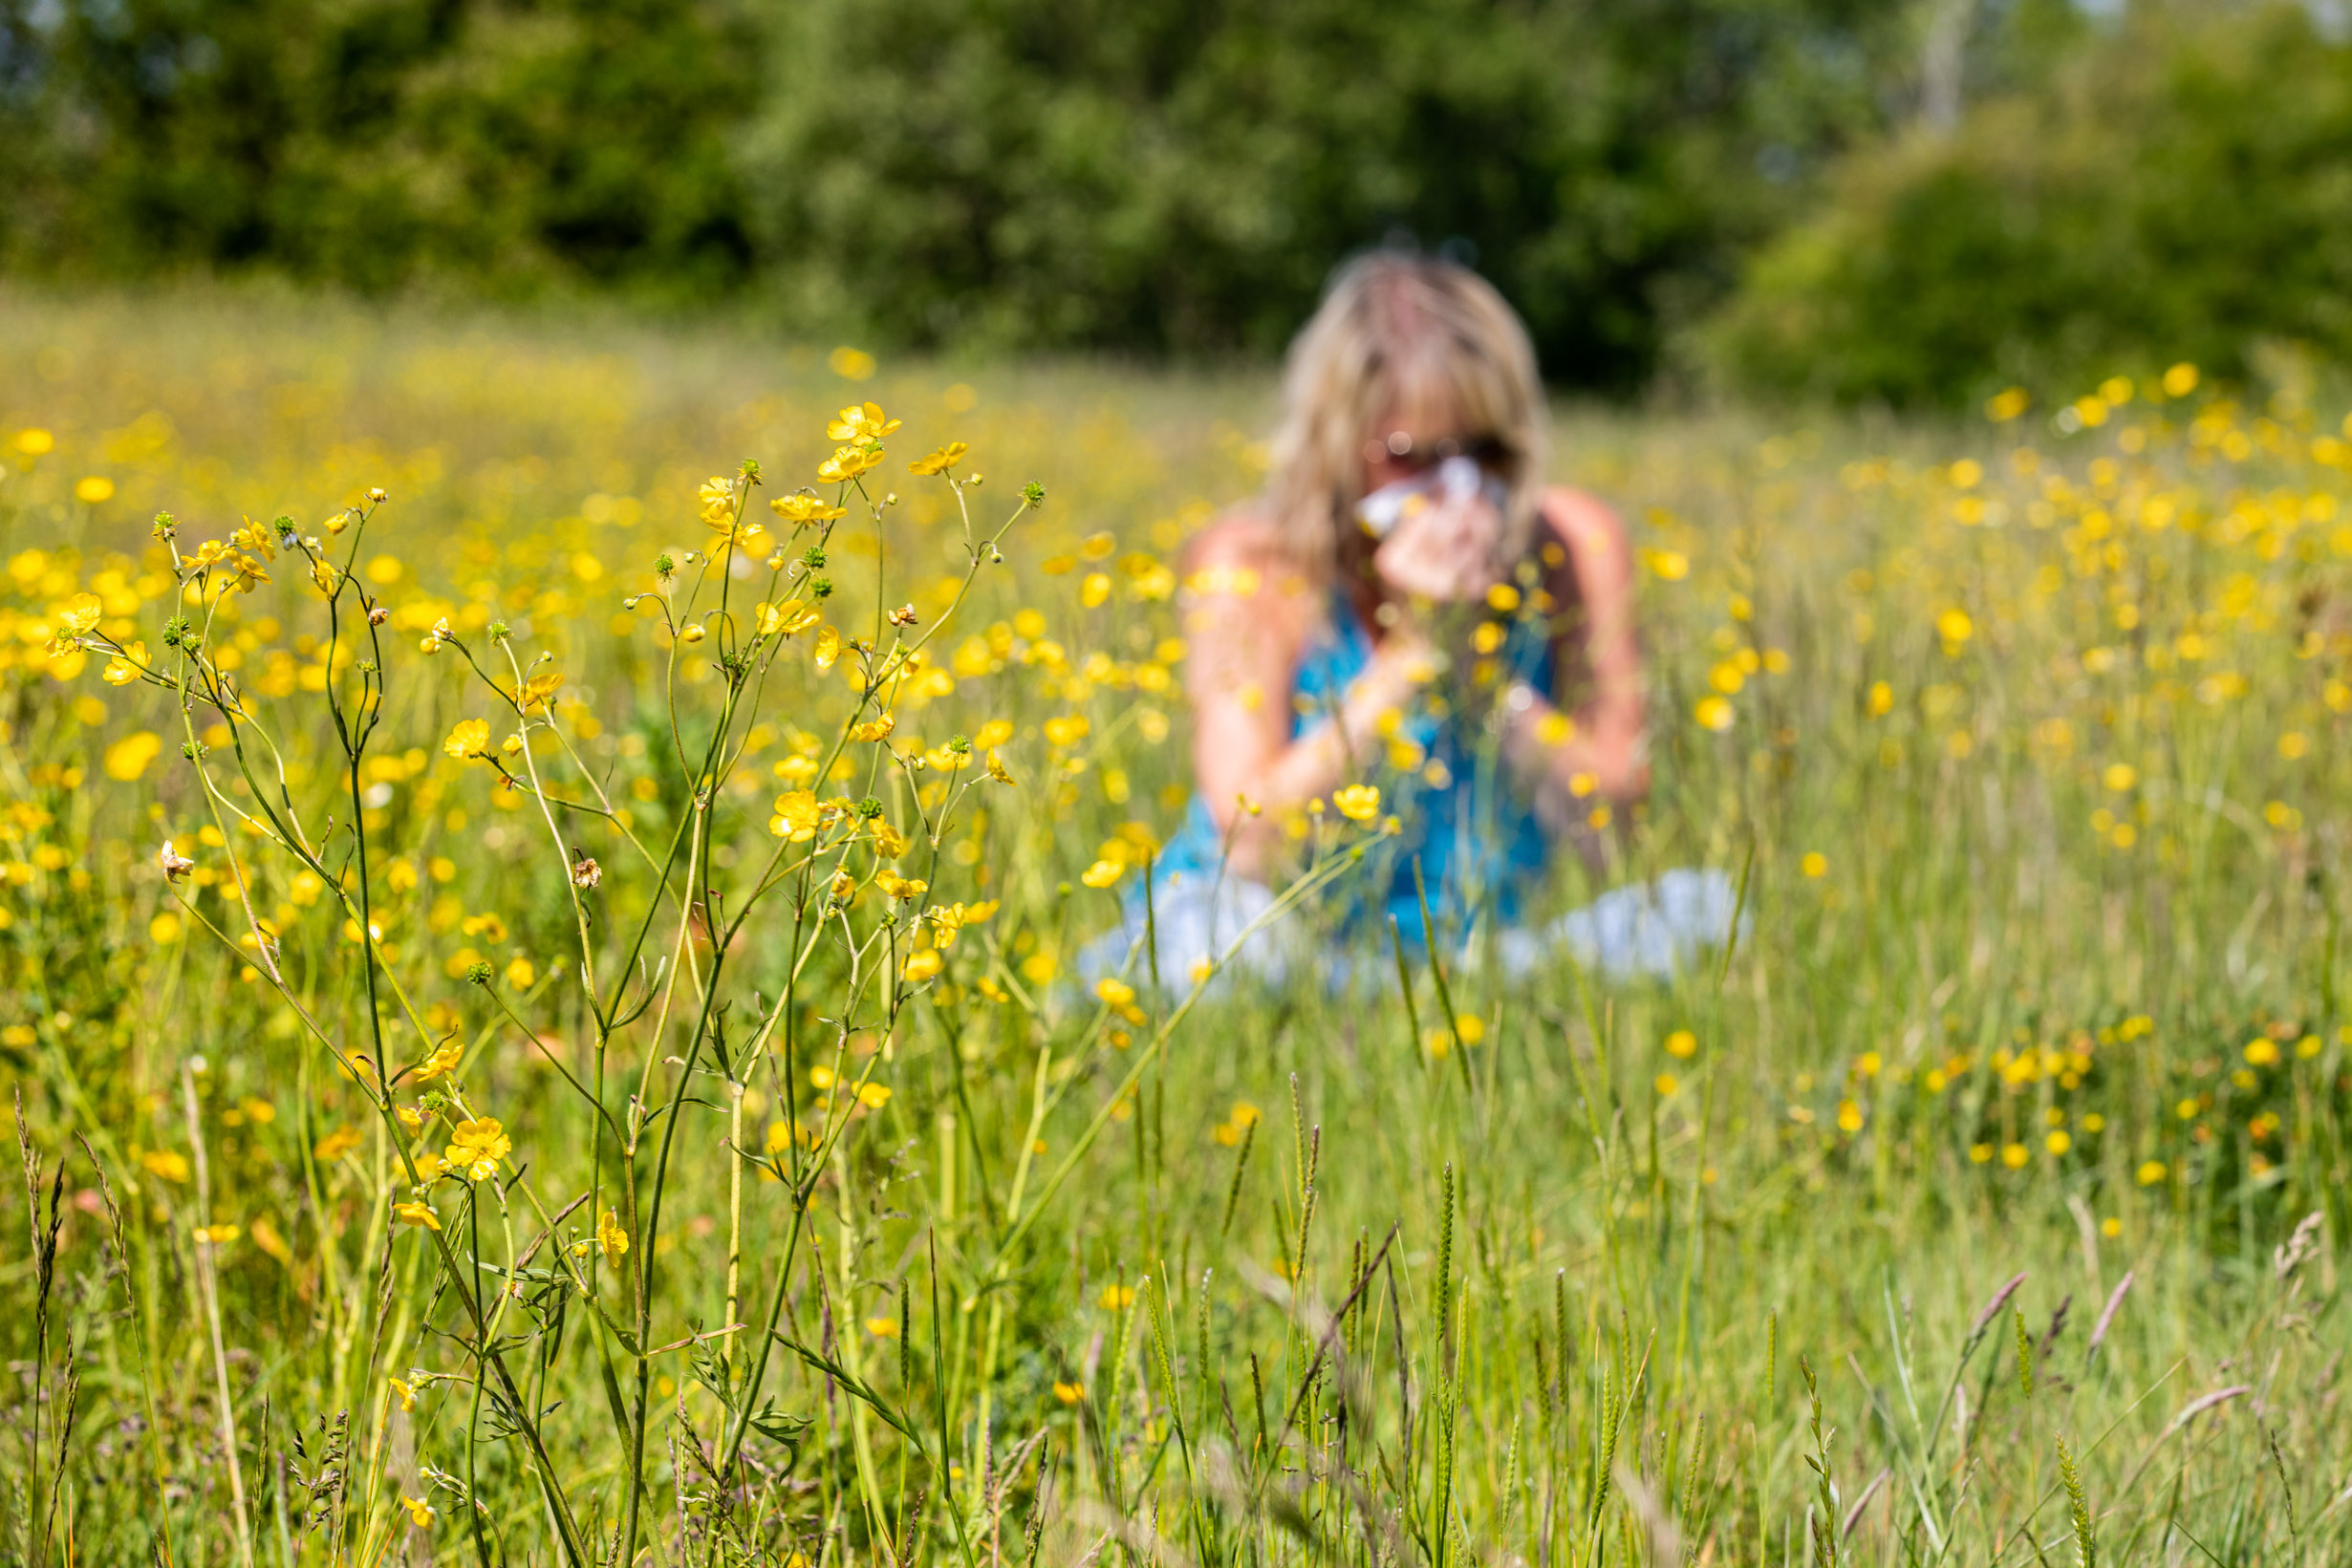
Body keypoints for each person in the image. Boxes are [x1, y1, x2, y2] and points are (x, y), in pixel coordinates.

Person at [1083, 252, 1736, 991]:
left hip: (1491, 945)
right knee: (1217, 958)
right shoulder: (1251, 562)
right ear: (1338, 442)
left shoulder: (1572, 543)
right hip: (1276, 934)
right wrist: (1411, 655)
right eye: (1409, 456)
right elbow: (1249, 845)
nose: (1457, 485)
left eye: (1485, 450)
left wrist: (1475, 666)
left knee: (1709, 913)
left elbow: (1610, 832)